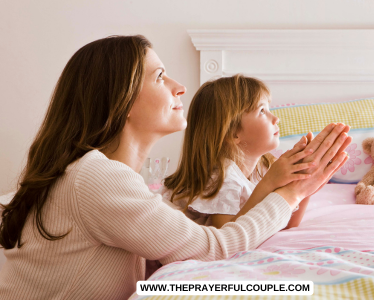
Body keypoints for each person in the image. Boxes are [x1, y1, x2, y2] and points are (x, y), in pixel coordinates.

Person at [0, 35, 351, 300]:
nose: (180, 87)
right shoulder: (96, 177)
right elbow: (217, 246)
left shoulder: (99, 176)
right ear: (120, 101)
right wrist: (291, 192)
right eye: (160, 77)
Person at [163, 75, 351, 229]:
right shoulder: (222, 178)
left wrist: (306, 183)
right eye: (262, 111)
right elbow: (227, 237)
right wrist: (270, 183)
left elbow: (286, 224)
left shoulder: (261, 167)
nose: (275, 118)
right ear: (233, 133)